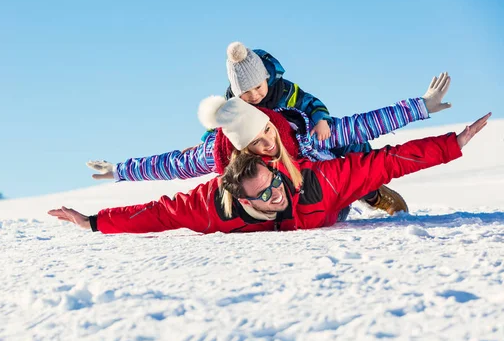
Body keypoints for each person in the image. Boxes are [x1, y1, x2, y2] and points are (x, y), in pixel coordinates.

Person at [48, 113, 490, 235]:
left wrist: (452, 144)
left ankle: (370, 196)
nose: (275, 198)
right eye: (263, 197)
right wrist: (91, 221)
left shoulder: (311, 179)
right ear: (240, 198)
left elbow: (389, 158)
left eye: (273, 186)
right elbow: (158, 212)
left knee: (364, 172)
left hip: (333, 192)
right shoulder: (214, 207)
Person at [90, 71, 453, 215]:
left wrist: (421, 106)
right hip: (292, 203)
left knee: (349, 155)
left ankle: (371, 192)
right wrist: (120, 170)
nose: (266, 144)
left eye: (265, 132)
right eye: (254, 143)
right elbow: (171, 164)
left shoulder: (299, 130)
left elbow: (363, 124)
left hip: (325, 182)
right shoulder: (221, 154)